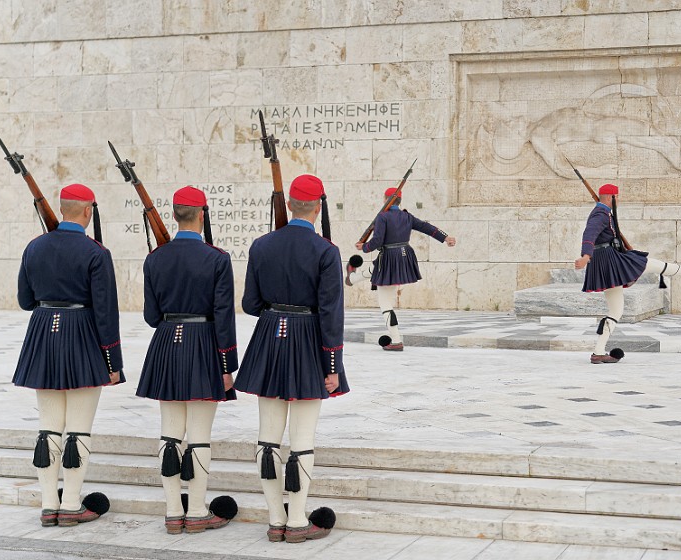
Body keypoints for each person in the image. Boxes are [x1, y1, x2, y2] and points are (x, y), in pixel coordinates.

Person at [234, 174, 348, 544]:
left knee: (268, 437)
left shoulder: (262, 245)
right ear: (318, 207)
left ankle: (275, 518)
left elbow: (250, 304)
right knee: (302, 439)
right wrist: (331, 366)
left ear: (288, 206)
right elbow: (331, 313)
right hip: (308, 342)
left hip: (269, 338)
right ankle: (297, 520)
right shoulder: (326, 251)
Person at [13, 183, 123, 527]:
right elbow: (106, 313)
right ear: (88, 211)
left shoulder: (34, 247)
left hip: (44, 334)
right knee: (78, 430)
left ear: (63, 210)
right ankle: (72, 503)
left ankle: (49, 505)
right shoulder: (95, 252)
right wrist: (113, 363)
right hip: (83, 337)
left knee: (48, 429)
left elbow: (25, 300)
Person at [135, 186, 238, 535]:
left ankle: (172, 512)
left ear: (175, 215)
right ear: (202, 215)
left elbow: (151, 316)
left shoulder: (155, 258)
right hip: (204, 344)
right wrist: (228, 366)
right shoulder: (217, 258)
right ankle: (195, 512)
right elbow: (224, 316)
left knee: (169, 434)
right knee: (199, 437)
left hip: (166, 343)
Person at [575, 183, 681, 364]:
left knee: (616, 310)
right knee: (655, 265)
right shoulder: (600, 213)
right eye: (618, 197)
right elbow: (589, 233)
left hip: (606, 261)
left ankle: (598, 352)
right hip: (609, 260)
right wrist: (585, 256)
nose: (619, 200)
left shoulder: (604, 212)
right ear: (611, 197)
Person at [352, 188, 456, 351]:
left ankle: (396, 340)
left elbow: (378, 241)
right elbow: (427, 227)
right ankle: (352, 279)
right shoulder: (407, 216)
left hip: (389, 258)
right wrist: (445, 237)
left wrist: (364, 247)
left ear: (386, 199)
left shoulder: (382, 217)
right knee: (376, 270)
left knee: (385, 303)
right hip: (404, 257)